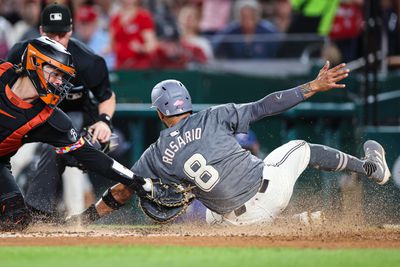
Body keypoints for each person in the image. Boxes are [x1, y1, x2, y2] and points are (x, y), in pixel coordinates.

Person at [70, 61, 391, 226]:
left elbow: (122, 191)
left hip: (237, 221)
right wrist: (312, 85)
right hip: (270, 190)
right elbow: (267, 105)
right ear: (188, 103)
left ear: (158, 112)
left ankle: (288, 224)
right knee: (302, 149)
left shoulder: (154, 155)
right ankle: (371, 168)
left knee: (212, 217)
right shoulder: (213, 116)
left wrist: (88, 217)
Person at [0, 36, 155, 231]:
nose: (59, 82)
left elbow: (91, 156)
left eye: (62, 77)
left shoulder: (51, 119)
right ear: (34, 63)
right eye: (55, 73)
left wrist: (135, 180)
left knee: (17, 221)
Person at [7, 3, 116, 220]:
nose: (56, 41)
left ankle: (71, 223)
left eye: (62, 35)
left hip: (74, 119)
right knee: (15, 160)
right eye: (51, 34)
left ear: (71, 31)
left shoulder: (87, 60)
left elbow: (107, 97)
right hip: (32, 119)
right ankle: (15, 213)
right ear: (40, 31)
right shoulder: (21, 53)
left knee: (65, 157)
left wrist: (104, 121)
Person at [212, 0, 280, 59]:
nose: (247, 20)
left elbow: (280, 50)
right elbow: (215, 46)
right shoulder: (230, 31)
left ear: (257, 15)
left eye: (251, 16)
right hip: (235, 71)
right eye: (244, 16)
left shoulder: (269, 31)